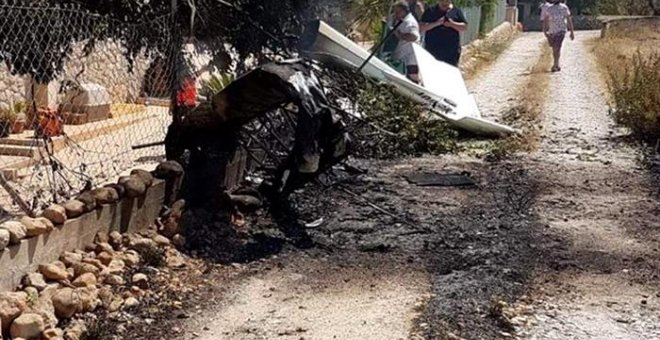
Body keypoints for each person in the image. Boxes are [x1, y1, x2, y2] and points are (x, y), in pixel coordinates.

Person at [419, 0, 468, 67]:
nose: (444, 2)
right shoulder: (430, 11)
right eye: (442, 0)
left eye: (447, 0)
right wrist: (437, 23)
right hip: (432, 50)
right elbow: (421, 27)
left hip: (451, 51)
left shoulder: (456, 11)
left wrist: (452, 24)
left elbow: (464, 27)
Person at [392, 1, 422, 83]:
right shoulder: (401, 20)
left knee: (412, 80)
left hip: (410, 58)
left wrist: (401, 36)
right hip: (402, 56)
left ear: (403, 11)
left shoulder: (409, 22)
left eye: (397, 12)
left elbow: (414, 36)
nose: (396, 14)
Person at [543, 0, 574, 72]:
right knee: (555, 48)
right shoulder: (549, 9)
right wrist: (545, 31)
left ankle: (555, 64)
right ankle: (556, 63)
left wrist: (572, 32)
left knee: (557, 47)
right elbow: (545, 20)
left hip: (561, 31)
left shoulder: (564, 8)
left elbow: (569, 19)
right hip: (552, 31)